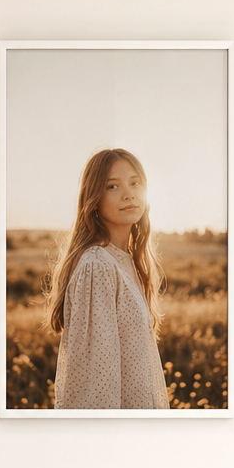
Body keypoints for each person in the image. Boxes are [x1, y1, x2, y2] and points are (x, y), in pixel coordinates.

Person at [49, 148, 169, 410]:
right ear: (94, 198)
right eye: (112, 186)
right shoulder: (97, 266)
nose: (129, 194)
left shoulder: (128, 261)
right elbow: (96, 386)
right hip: (119, 440)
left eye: (135, 183)